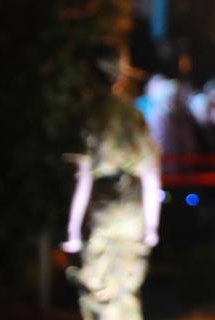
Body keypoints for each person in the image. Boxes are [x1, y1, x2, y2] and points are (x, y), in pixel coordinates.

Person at [62, 53, 162, 320]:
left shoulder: (88, 114)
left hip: (101, 207)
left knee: (97, 291)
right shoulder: (133, 114)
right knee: (127, 291)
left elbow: (82, 175)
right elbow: (151, 174)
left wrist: (72, 229)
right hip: (133, 209)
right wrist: (152, 226)